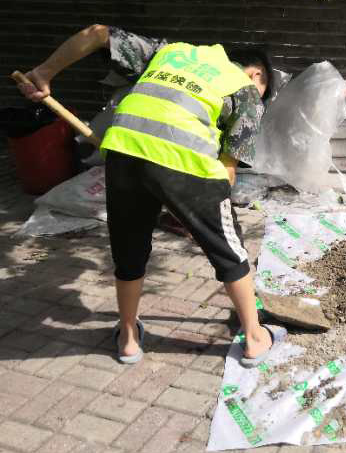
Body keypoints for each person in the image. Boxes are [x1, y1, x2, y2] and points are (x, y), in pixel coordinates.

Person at [16, 24, 285, 366]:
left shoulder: (171, 52)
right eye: (264, 90)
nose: (260, 96)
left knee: (129, 250)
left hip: (123, 152)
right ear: (257, 74)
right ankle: (255, 338)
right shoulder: (246, 91)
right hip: (185, 161)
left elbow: (98, 33)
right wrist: (199, 215)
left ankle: (128, 339)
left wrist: (43, 73)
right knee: (229, 250)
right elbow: (227, 171)